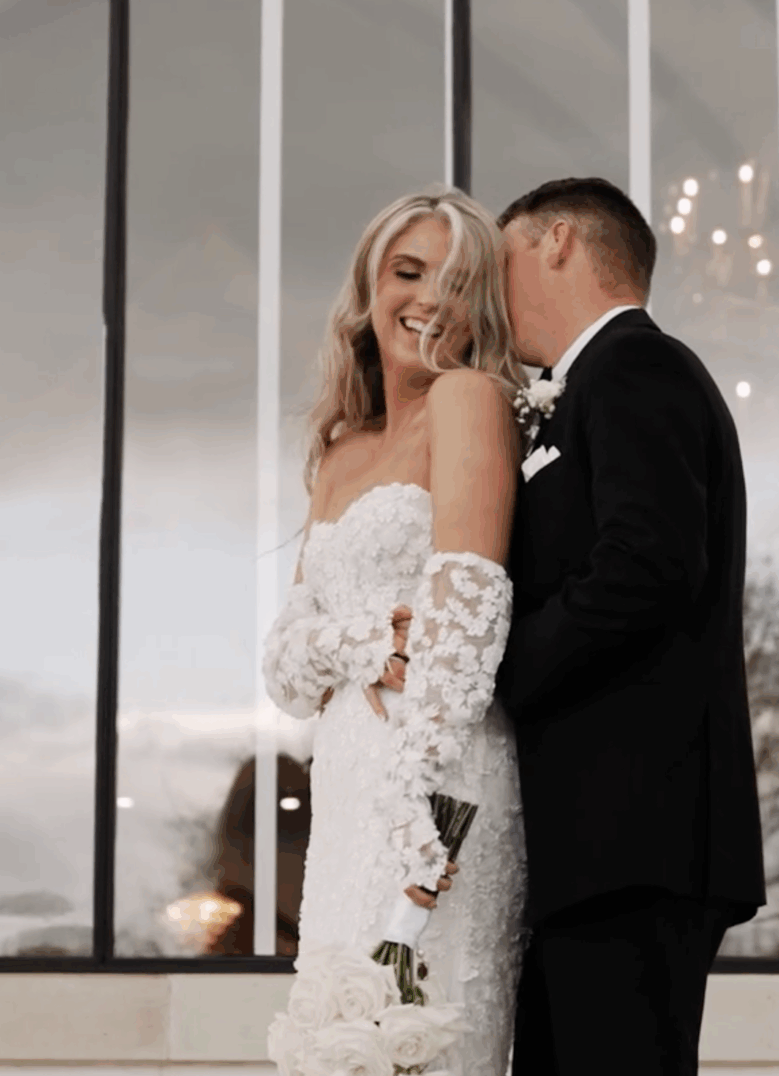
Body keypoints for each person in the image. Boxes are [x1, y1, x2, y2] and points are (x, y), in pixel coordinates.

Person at [491, 177, 766, 1075]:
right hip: (595, 848)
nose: (487, 293)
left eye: (501, 260)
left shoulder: (637, 367)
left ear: (558, 241)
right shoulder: (580, 389)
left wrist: (496, 669)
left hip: (636, 835)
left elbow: (646, 565)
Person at [258, 186, 528, 1073]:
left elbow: (469, 601)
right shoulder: (340, 448)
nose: (430, 300)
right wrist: (368, 641)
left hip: (431, 776)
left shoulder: (471, 398)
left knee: (420, 1017)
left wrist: (423, 823)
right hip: (343, 778)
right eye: (407, 273)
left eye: (456, 281)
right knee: (340, 1027)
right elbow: (285, 666)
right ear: (367, 290)